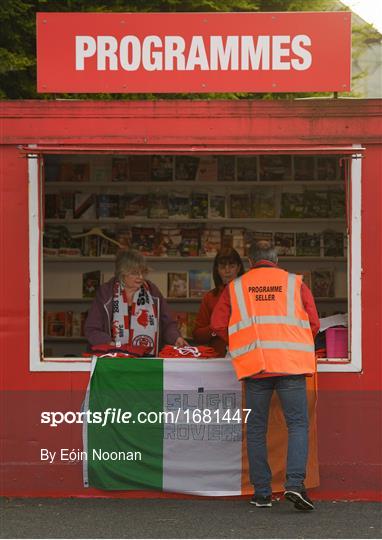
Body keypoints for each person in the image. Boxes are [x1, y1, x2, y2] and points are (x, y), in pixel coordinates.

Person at [211, 241, 320, 510]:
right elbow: (314, 323)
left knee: (256, 429)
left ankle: (262, 493)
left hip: (255, 367)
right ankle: (294, 485)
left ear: (249, 261)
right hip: (290, 365)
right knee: (297, 425)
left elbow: (216, 324)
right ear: (277, 259)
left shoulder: (236, 287)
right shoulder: (295, 284)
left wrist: (241, 346)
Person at [84, 249, 187, 354]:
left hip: (147, 359)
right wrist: (109, 343)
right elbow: (92, 329)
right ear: (122, 273)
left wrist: (176, 338)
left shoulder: (152, 291)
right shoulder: (106, 293)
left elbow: (168, 323)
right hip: (113, 357)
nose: (141, 277)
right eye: (134, 273)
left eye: (143, 272)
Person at [193, 247, 244, 357]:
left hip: (245, 356)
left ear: (238, 268)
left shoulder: (248, 294)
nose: (227, 270)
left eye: (232, 266)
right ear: (217, 269)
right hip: (218, 359)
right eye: (222, 266)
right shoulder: (210, 297)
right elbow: (197, 335)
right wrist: (214, 329)